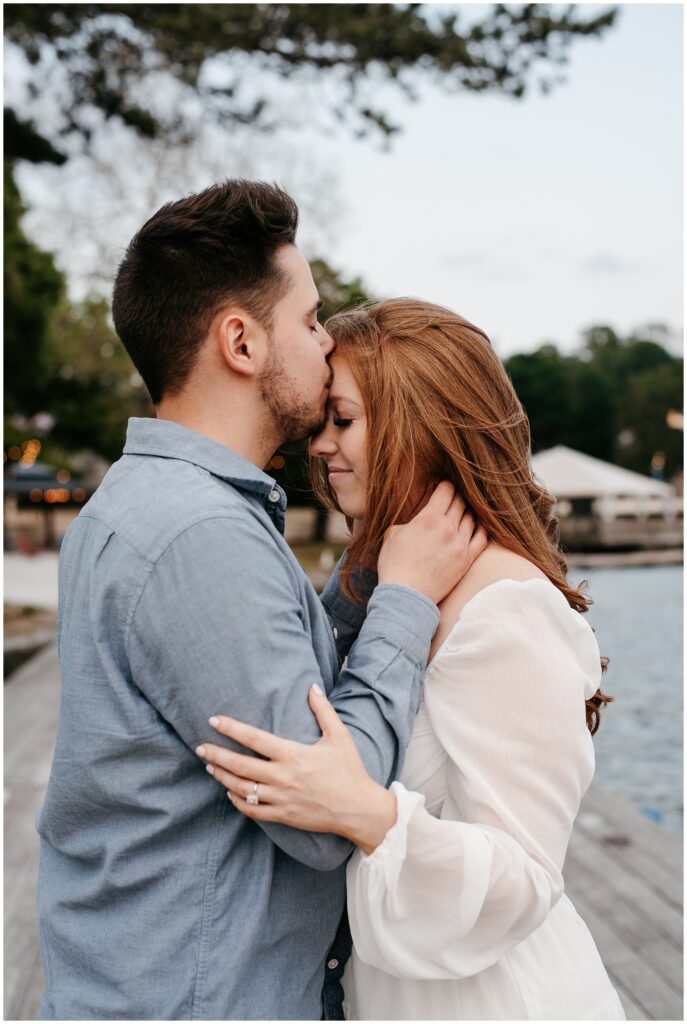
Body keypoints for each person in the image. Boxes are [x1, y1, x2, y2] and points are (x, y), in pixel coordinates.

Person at [36, 184, 487, 1021]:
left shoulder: (151, 505)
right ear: (240, 342)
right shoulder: (195, 535)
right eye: (312, 321)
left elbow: (265, 662)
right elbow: (324, 815)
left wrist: (361, 579)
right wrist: (408, 596)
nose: (326, 345)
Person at [199, 298, 626, 1020]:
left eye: (343, 420)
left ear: (416, 425)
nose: (319, 444)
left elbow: (523, 877)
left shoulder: (502, 605)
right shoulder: (385, 580)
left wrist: (366, 813)